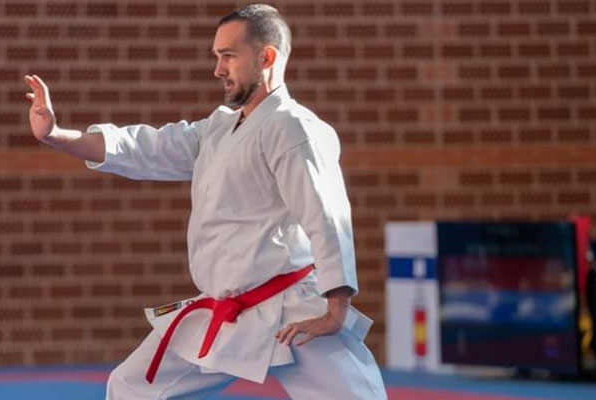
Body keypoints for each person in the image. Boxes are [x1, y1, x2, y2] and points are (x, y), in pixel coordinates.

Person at [24, 4, 387, 400]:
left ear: (266, 57)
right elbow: (149, 147)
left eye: (228, 55)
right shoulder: (219, 128)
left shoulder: (293, 128)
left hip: (289, 309)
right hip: (223, 309)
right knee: (132, 387)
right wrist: (57, 135)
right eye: (217, 56)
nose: (218, 69)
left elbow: (326, 214)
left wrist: (336, 308)